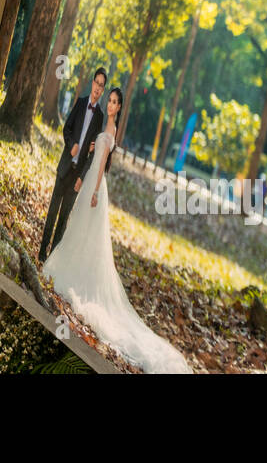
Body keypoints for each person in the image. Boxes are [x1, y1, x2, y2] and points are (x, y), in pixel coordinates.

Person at [43, 88, 193, 374]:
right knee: (79, 229)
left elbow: (101, 165)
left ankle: (78, 275)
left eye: (114, 102)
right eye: (109, 101)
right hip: (90, 182)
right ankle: (73, 267)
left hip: (96, 186)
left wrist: (94, 188)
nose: (110, 105)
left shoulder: (111, 128)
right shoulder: (104, 126)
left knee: (85, 230)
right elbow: (95, 153)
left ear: (119, 107)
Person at [39, 68, 106, 263]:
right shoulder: (80, 103)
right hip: (65, 167)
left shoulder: (100, 116)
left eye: (102, 85)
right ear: (92, 83)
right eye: (97, 83)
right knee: (52, 212)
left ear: (102, 90)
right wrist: (71, 146)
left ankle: (52, 259)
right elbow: (66, 128)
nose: (98, 88)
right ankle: (42, 252)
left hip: (77, 174)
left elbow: (93, 153)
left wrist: (82, 178)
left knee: (63, 219)